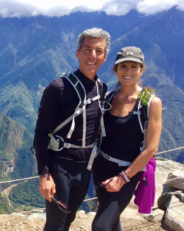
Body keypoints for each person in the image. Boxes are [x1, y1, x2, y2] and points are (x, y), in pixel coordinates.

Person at [34, 28, 110, 231]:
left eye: (98, 51)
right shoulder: (58, 88)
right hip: (60, 166)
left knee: (68, 220)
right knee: (55, 225)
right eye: (87, 49)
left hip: (85, 167)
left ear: (105, 56)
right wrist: (44, 174)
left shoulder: (102, 88)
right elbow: (41, 133)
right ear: (77, 53)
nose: (92, 56)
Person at [91, 46, 162, 231]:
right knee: (112, 221)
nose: (128, 71)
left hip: (127, 172)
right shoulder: (108, 97)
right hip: (101, 167)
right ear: (115, 70)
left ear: (141, 70)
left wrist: (123, 178)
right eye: (123, 66)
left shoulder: (149, 102)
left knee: (100, 226)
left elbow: (151, 149)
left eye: (133, 66)